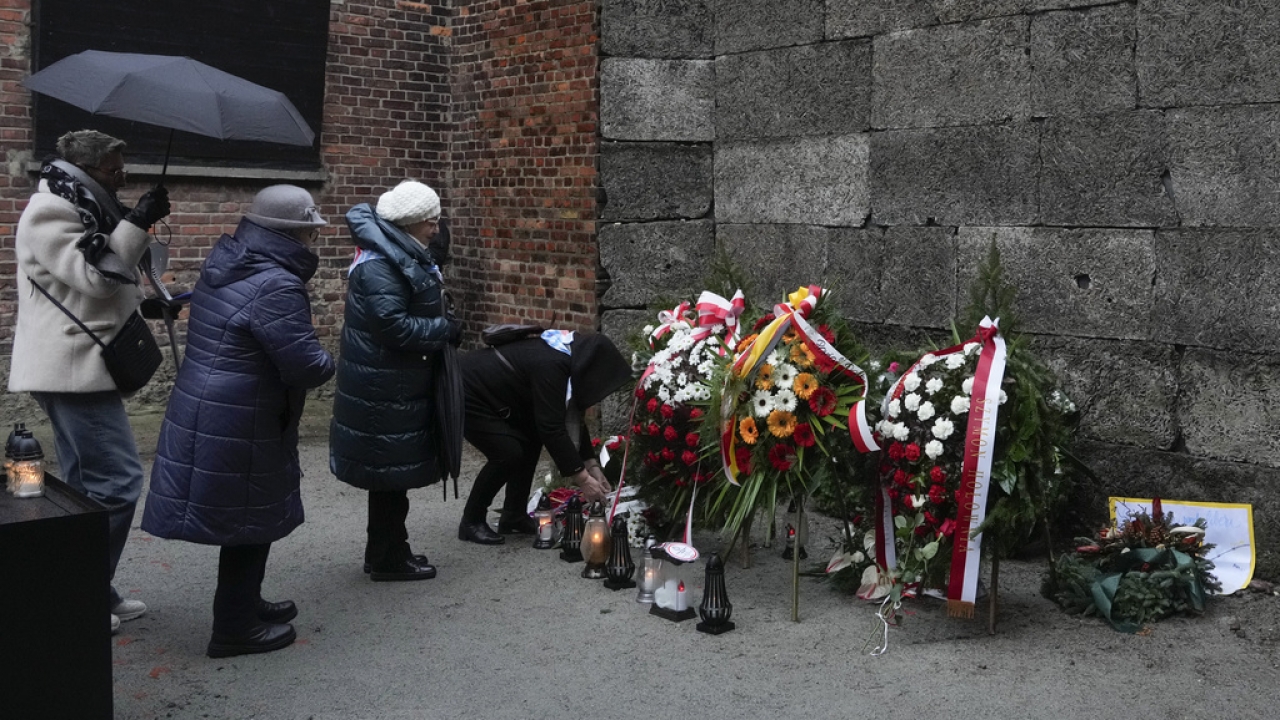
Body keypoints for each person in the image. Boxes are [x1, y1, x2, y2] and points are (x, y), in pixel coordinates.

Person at [141, 185, 335, 658]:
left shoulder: (232, 260)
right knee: (250, 515)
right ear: (295, 233)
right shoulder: (277, 283)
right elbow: (305, 365)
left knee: (252, 512)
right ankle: (234, 628)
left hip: (216, 401)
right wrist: (331, 361)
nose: (314, 237)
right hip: (242, 411)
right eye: (310, 230)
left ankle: (246, 604)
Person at [8, 129, 170, 634]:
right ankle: (74, 591)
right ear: (87, 167)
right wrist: (139, 220)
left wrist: (149, 301)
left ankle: (86, 585)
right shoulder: (51, 211)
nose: (123, 176)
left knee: (82, 486)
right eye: (115, 168)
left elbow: (100, 287)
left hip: (84, 363)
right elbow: (96, 279)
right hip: (71, 368)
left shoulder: (89, 203)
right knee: (119, 482)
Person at [329, 180, 461, 581]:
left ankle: (383, 551)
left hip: (388, 384)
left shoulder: (394, 251)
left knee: (388, 482)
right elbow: (393, 326)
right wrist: (444, 329)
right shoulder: (381, 264)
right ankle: (390, 559)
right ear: (408, 223)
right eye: (429, 220)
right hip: (383, 388)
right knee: (389, 481)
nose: (436, 227)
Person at [458, 330, 631, 544]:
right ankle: (471, 521)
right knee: (507, 453)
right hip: (467, 391)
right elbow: (552, 428)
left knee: (530, 440)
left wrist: (592, 466)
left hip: (493, 395)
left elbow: (571, 416)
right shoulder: (552, 364)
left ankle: (513, 515)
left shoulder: (565, 356)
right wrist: (583, 479)